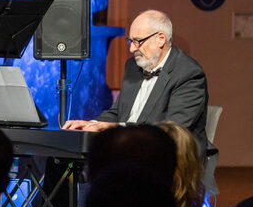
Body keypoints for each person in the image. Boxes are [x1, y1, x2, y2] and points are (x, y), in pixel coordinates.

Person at [63, 10, 211, 158]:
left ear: (160, 39)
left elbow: (172, 132)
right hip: (129, 150)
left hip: (170, 159)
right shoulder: (133, 66)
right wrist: (90, 125)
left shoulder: (188, 73)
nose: (132, 49)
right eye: (130, 41)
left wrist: (118, 128)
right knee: (62, 157)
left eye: (138, 41)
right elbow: (117, 113)